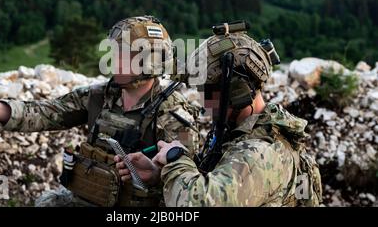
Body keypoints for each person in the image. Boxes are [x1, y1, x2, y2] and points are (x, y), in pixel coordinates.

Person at [0, 16, 201, 207]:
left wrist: (156, 172)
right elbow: (46, 112)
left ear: (149, 63)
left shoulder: (174, 114)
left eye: (123, 55)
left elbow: (187, 184)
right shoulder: (99, 96)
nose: (113, 60)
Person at [115, 21, 323, 206]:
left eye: (207, 92)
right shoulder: (237, 134)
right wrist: (160, 175)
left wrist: (175, 158)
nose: (204, 102)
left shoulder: (261, 152)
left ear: (236, 92)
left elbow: (199, 203)